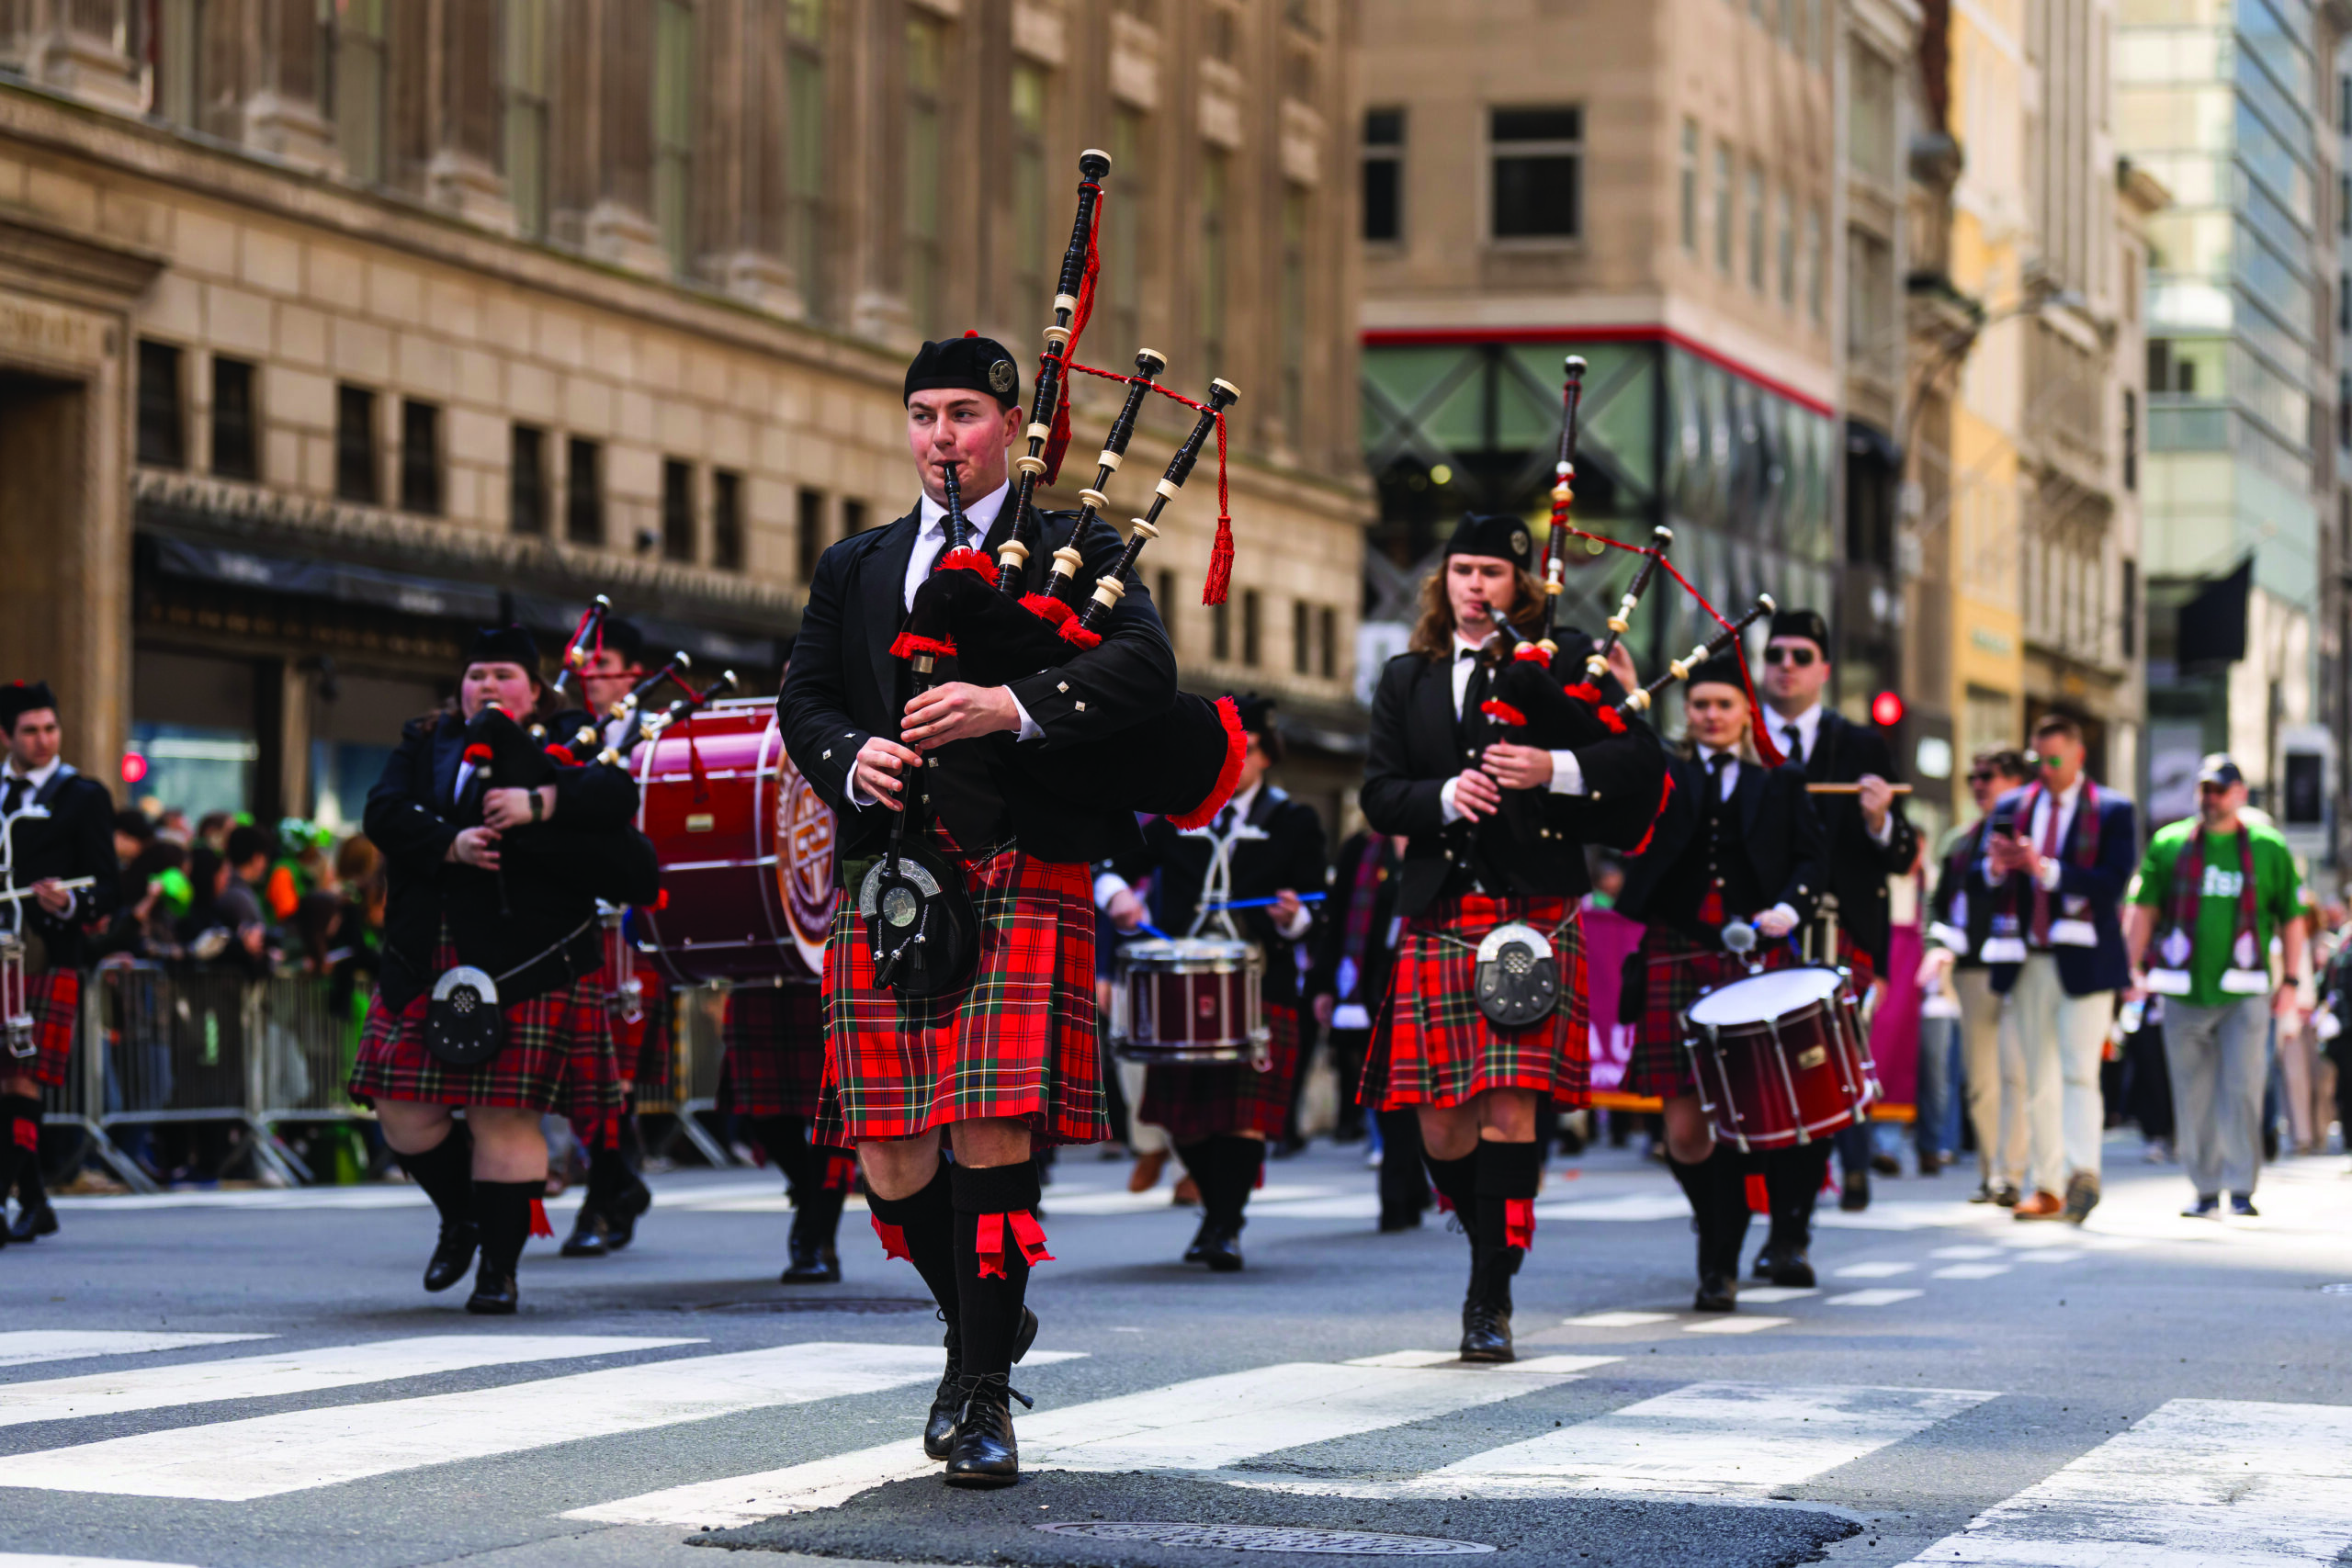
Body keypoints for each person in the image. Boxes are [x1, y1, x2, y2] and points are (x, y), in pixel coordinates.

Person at [777, 333, 1176, 1486]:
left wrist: (1011, 702)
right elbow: (805, 695)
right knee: (893, 1157)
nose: (940, 436)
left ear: (1009, 424)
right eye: (922, 415)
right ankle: (980, 1329)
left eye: (961, 414)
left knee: (988, 1125)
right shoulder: (857, 564)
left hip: (1017, 864)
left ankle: (983, 1390)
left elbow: (1144, 669)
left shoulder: (1075, 542)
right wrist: (854, 758)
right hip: (891, 877)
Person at [1358, 513, 1666, 1362]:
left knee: (1509, 1106)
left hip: (1534, 912)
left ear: (1520, 585)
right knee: (1442, 1130)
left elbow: (1642, 765)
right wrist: (1446, 796)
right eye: (1463, 570)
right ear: (1443, 581)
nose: (1477, 586)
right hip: (1443, 916)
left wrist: (1552, 768)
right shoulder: (1407, 677)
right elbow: (1380, 794)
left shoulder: (1568, 663)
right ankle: (1489, 1228)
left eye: (1493, 572)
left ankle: (1490, 1293)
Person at [350, 626, 642, 1313]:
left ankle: (498, 1272)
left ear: (535, 689)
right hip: (427, 952)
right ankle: (464, 1216)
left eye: (503, 674)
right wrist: (449, 843)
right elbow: (382, 812)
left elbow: (613, 799)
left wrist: (538, 803)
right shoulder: (424, 739)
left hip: (529, 958)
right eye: (476, 672)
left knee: (503, 1117)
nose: (486, 685)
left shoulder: (571, 736)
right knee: (402, 1112)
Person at [1613, 656, 1829, 1308]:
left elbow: (1811, 858)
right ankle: (1718, 1220)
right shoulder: (1666, 774)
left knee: (1735, 1123)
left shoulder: (1781, 781)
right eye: (1700, 703)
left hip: (1750, 964)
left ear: (1745, 714)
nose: (1710, 714)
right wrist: (1624, 695)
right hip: (1676, 955)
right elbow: (1628, 762)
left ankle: (1719, 1259)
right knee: (1684, 1133)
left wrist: (1787, 908)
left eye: (1723, 704)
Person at [1098, 696, 1326, 1271]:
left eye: (1245, 750)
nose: (1234, 760)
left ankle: (1226, 1223)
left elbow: (1314, 912)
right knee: (1184, 1117)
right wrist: (1117, 896)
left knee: (1244, 1115)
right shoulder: (1175, 817)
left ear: (1266, 756)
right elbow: (1110, 866)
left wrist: (1292, 916)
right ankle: (1216, 1215)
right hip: (1180, 984)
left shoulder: (1295, 821)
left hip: (1260, 982)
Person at [1755, 608, 1916, 1208]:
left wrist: (1880, 820)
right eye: (1776, 655)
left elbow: (1901, 852)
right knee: (1764, 1066)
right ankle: (1773, 1201)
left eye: (1800, 656)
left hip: (1842, 926)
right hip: (1768, 924)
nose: (1786, 668)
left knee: (1828, 1061)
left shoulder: (1863, 744)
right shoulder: (1745, 737)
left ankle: (1818, 1192)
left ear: (1824, 667)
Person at [2122, 755, 2303, 1218]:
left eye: (2220, 790)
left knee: (2242, 1086)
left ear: (2240, 794)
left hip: (2246, 989)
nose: (2211, 798)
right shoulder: (2170, 843)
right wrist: (2130, 969)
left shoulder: (2267, 846)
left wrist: (2293, 980)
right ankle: (2204, 1187)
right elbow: (2143, 909)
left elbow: (2291, 918)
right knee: (2192, 1090)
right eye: (2205, 789)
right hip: (2183, 987)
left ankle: (2241, 1186)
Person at [1985, 713, 2136, 1224]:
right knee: (2037, 1078)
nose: (2045, 770)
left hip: (2087, 958)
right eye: (2037, 760)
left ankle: (2081, 1175)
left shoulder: (2114, 810)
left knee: (2079, 1072)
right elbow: (1982, 884)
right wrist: (1998, 865)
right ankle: (2046, 1185)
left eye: (2054, 760)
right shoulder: (2012, 806)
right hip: (2028, 956)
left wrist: (2042, 868)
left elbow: (2112, 882)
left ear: (2078, 757)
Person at [0, 682, 120, 1248]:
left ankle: (6, 1195)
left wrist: (70, 902)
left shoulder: (84, 795)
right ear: (6, 736)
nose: (44, 740)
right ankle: (37, 1201)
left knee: (22, 1074)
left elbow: (109, 886)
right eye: (31, 731)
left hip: (45, 952)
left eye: (51, 728)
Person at [1920, 748, 2034, 1206]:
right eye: (1974, 776)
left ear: (2015, 782)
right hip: (1972, 971)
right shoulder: (1958, 841)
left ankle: (2013, 1172)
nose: (1980, 785)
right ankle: (1992, 1174)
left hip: (2023, 964)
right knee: (1981, 1079)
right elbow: (1939, 905)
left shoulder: (2031, 833)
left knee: (2017, 1074)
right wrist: (1937, 946)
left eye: (1990, 776)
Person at [1310, 828, 1419, 1225]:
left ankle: (1407, 1182)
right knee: (1388, 1085)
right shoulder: (1361, 847)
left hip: (1425, 979)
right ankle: (1397, 1188)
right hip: (1367, 984)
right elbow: (1337, 918)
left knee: (1415, 1086)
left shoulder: (1445, 837)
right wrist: (1324, 984)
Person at [721, 979, 855, 1280]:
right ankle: (811, 1205)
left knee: (838, 1115)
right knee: (764, 1114)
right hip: (759, 983)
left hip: (832, 982)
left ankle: (817, 1241)